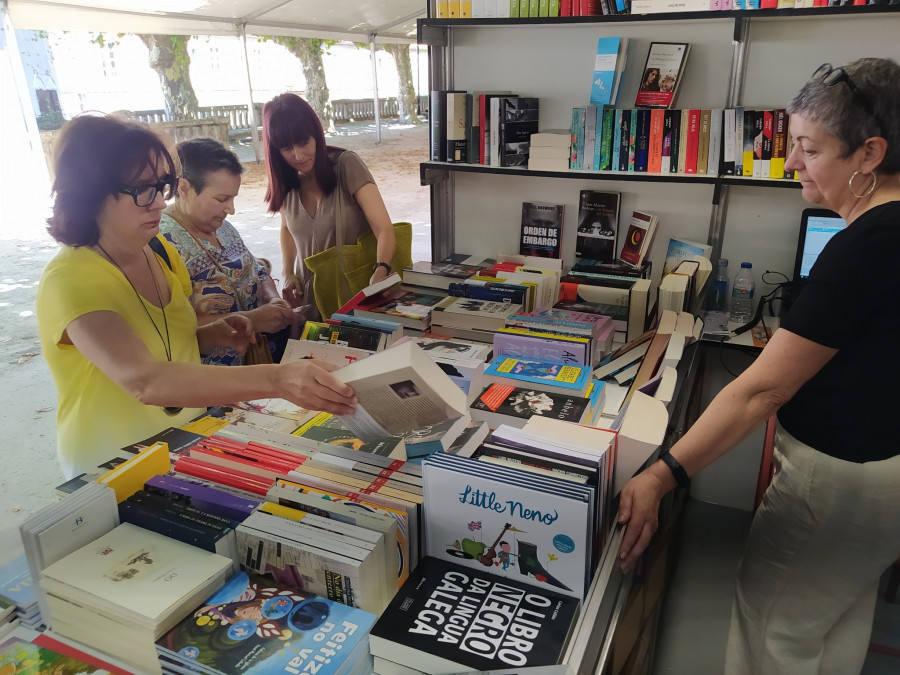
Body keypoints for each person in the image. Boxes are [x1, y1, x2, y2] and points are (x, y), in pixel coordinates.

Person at [617, 57, 900, 675]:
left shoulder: (867, 246)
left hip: (838, 482)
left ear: (869, 153)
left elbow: (761, 392)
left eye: (807, 148)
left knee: (773, 633)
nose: (793, 163)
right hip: (885, 478)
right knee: (831, 621)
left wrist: (662, 474)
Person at [36, 113, 357, 479]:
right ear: (91, 193)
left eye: (162, 186)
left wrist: (212, 332)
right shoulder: (73, 277)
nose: (159, 202)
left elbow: (169, 342)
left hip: (187, 440)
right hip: (112, 466)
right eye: (143, 190)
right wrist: (277, 379)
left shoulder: (158, 252)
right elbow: (146, 379)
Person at [159, 137, 295, 365]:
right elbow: (172, 326)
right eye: (222, 199)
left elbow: (258, 272)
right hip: (207, 382)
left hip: (249, 365)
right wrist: (252, 319)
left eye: (233, 198)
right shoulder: (163, 244)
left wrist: (273, 300)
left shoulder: (225, 229)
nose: (230, 210)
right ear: (184, 188)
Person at [262, 93, 396, 320]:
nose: (298, 155)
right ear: (276, 151)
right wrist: (288, 272)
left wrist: (380, 272)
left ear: (316, 134)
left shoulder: (346, 165)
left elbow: (384, 228)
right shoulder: (287, 182)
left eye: (304, 142)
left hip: (358, 297)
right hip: (310, 304)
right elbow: (287, 228)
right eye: (287, 149)